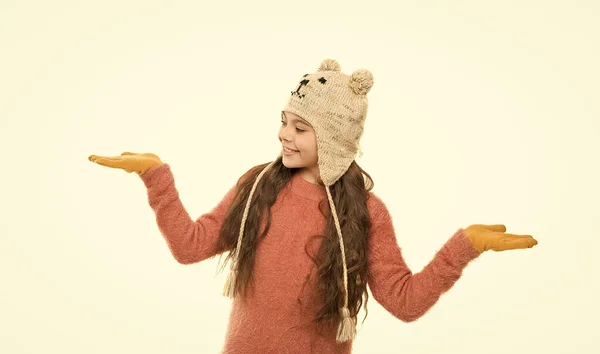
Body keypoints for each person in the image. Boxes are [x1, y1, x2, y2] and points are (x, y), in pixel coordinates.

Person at [88, 59, 538, 353]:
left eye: (300, 128)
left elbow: (404, 302)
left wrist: (465, 246)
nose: (284, 134)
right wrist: (155, 176)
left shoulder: (366, 212)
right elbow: (190, 246)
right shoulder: (258, 186)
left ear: (336, 139)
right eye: (283, 122)